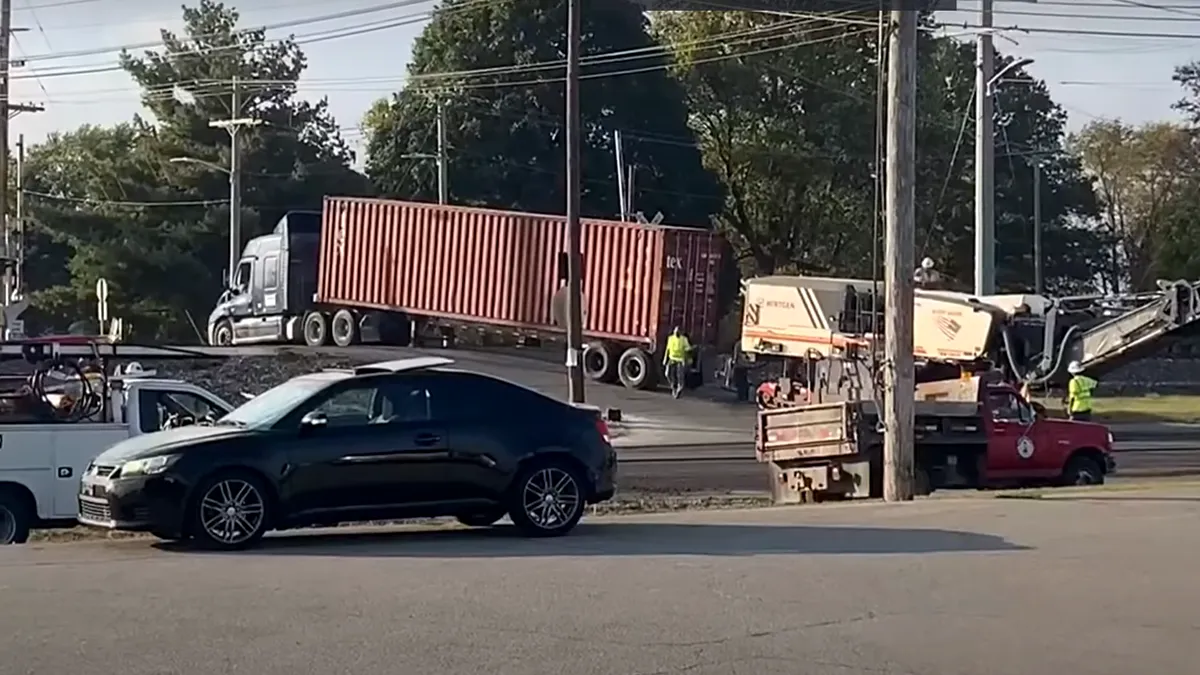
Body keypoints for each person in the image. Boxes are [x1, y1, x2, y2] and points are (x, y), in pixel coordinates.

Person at [663, 326, 691, 398]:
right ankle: (673, 386)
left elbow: (688, 350)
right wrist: (665, 359)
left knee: (680, 376)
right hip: (671, 359)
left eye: (678, 332)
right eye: (675, 332)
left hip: (680, 360)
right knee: (667, 374)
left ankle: (679, 389)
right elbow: (667, 349)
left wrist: (687, 360)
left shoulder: (684, 339)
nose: (676, 333)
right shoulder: (671, 338)